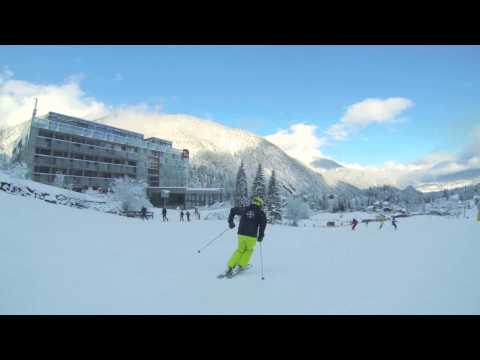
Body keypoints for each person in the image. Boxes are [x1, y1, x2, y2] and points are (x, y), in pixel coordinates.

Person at [222, 196, 267, 278]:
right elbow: (262, 226)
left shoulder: (245, 209)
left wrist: (230, 222)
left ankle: (230, 265)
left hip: (241, 234)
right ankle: (241, 265)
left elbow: (233, 210)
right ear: (260, 204)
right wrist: (260, 236)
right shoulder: (261, 213)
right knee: (249, 250)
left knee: (240, 250)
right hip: (251, 236)